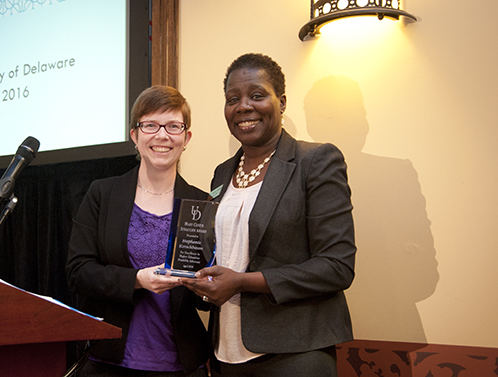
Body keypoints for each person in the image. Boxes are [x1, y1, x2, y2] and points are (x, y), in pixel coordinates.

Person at [180, 53, 356, 377]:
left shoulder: (315, 161)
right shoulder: (221, 175)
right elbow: (223, 254)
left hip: (294, 355)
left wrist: (242, 283)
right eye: (233, 99)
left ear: (282, 102)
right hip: (224, 355)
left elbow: (337, 266)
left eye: (257, 95)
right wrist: (196, 277)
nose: (243, 106)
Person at [66, 85, 211, 377]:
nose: (162, 135)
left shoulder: (203, 204)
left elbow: (203, 293)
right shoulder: (103, 194)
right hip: (109, 362)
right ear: (135, 135)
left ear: (186, 137)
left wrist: (206, 287)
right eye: (150, 125)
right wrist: (137, 280)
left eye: (173, 126)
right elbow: (78, 272)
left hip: (181, 364)